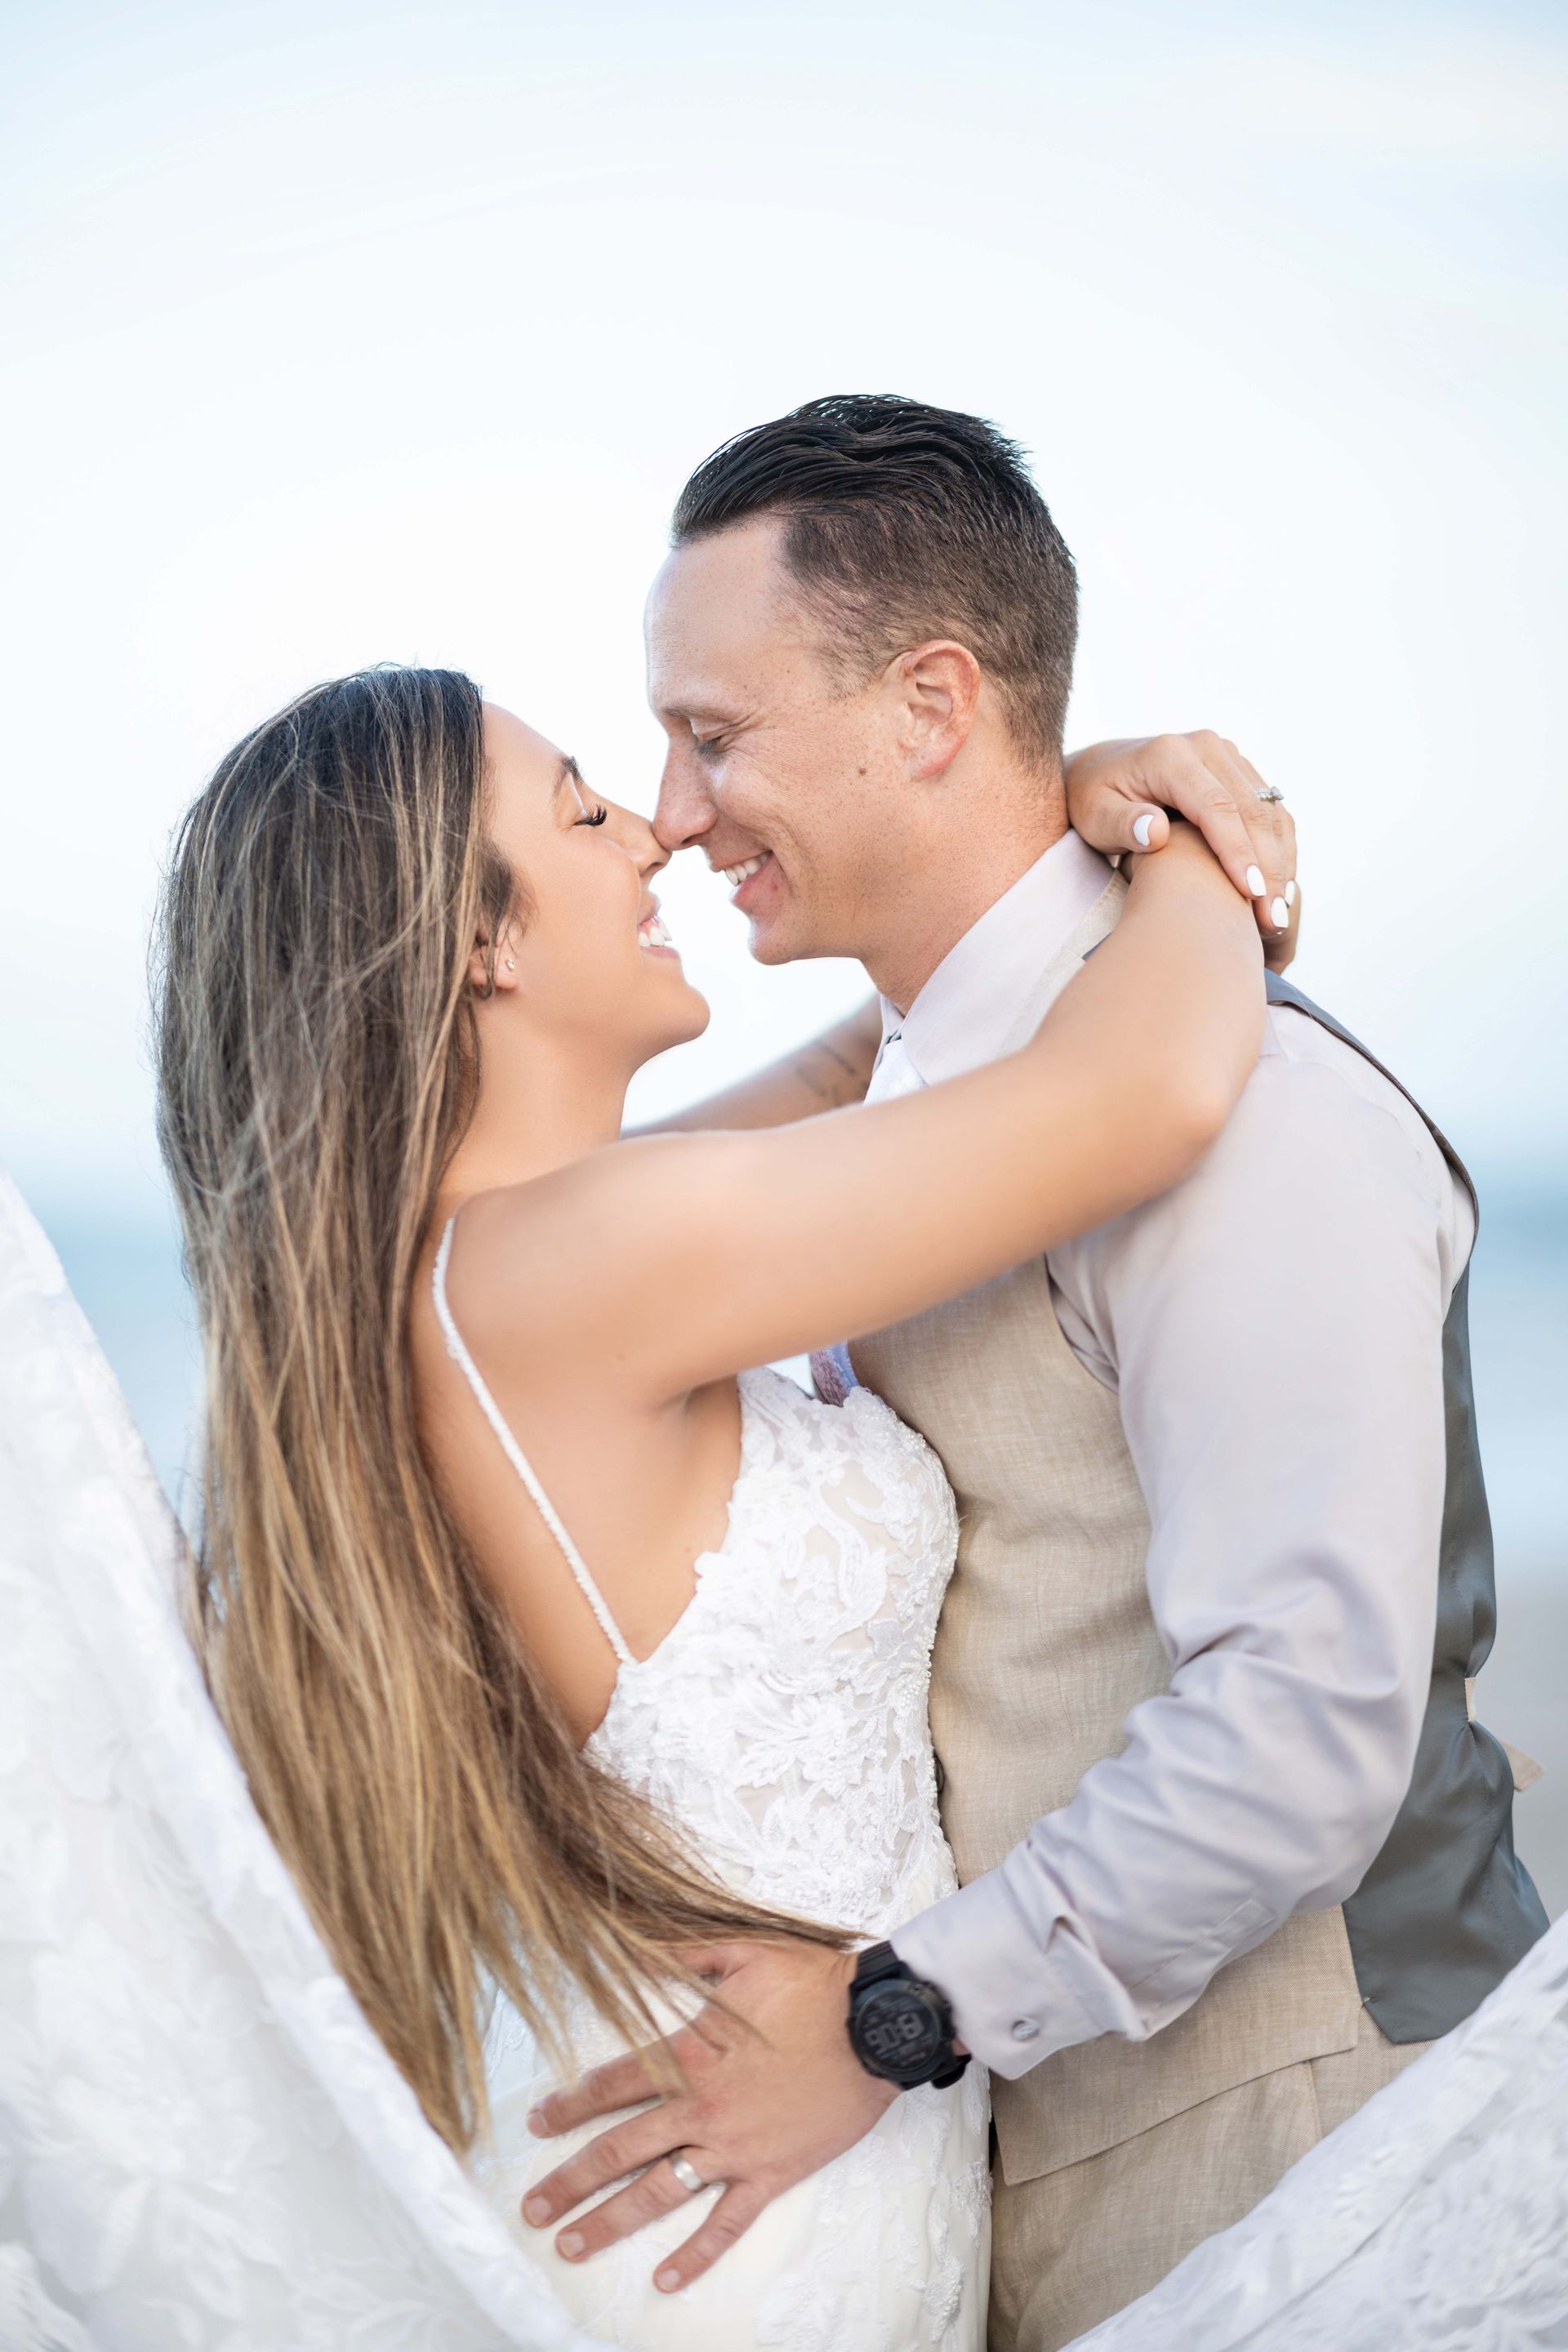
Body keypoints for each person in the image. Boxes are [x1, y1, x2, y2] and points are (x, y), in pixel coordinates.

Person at [522, 396, 1549, 2351]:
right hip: (1029, 2177)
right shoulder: (942, 1092)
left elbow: (1305, 1728)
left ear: (927, 708)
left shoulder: (1256, 1121)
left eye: (713, 735)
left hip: (1318, 2154)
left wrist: (896, 2020)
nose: (668, 808)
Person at [153, 664, 1272, 2350]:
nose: (655, 839)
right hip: (749, 2226)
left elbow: (872, 1070)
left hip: (766, 2156)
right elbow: (1150, 1093)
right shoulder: (572, 1267)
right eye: (585, 808)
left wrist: (1048, 823)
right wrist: (1195, 835)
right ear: (483, 944)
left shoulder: (495, 1264)